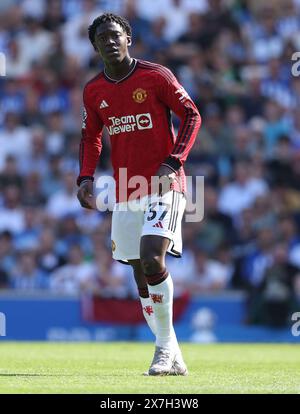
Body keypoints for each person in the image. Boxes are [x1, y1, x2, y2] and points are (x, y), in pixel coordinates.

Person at [77, 13, 201, 376]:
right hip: (126, 188)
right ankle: (171, 350)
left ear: (128, 37)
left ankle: (163, 350)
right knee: (138, 272)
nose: (110, 42)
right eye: (102, 39)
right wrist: (85, 177)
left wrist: (174, 161)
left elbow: (191, 115)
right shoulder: (94, 90)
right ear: (95, 46)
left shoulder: (155, 76)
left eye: (116, 35)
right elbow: (91, 137)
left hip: (165, 184)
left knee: (151, 257)